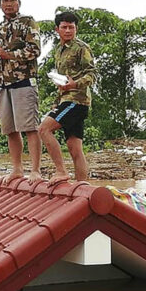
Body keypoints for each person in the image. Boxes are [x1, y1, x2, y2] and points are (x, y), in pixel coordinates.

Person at [0, 0, 42, 184]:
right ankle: (17, 169)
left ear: (19, 2)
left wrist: (7, 54)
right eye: (5, 0)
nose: (8, 3)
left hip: (23, 81)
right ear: (0, 4)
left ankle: (35, 170)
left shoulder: (28, 22)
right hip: (2, 82)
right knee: (10, 129)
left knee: (30, 127)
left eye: (12, 0)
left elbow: (35, 50)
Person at [38, 12, 97, 184]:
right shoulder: (59, 51)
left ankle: (61, 171)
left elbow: (92, 74)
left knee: (44, 129)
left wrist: (74, 84)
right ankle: (82, 186)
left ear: (76, 28)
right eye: (64, 27)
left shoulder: (81, 48)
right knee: (74, 148)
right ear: (57, 29)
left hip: (76, 101)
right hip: (65, 100)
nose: (68, 30)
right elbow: (62, 79)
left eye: (71, 27)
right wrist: (58, 97)